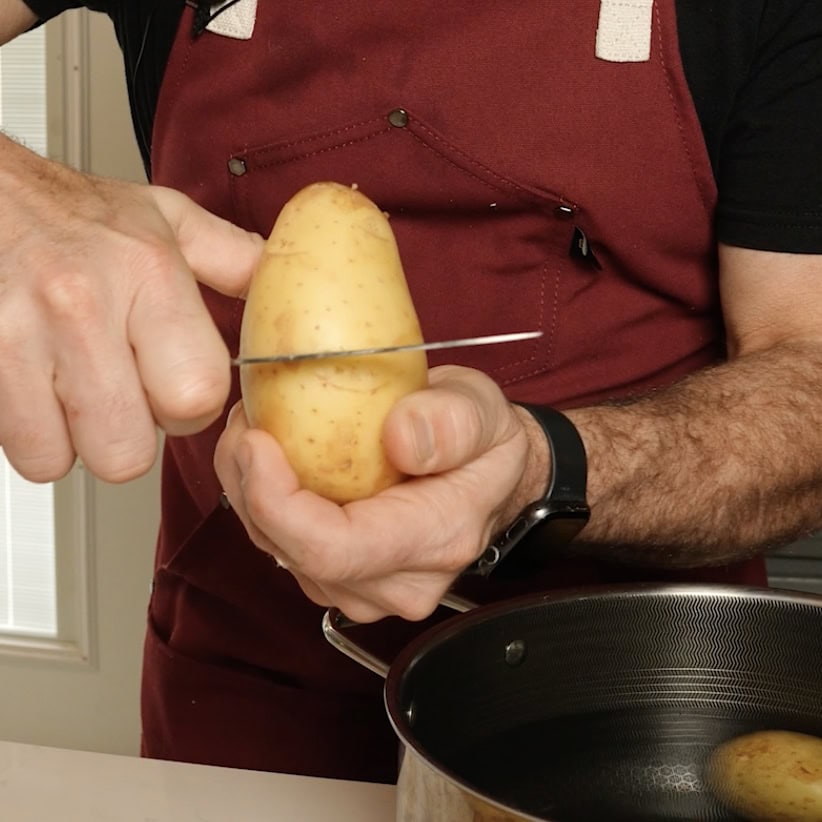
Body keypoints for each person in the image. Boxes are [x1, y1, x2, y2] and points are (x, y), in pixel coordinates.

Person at [1, 0, 821, 784]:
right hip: (250, 686)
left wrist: (547, 471)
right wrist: (16, 197)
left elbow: (808, 378)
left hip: (631, 704)